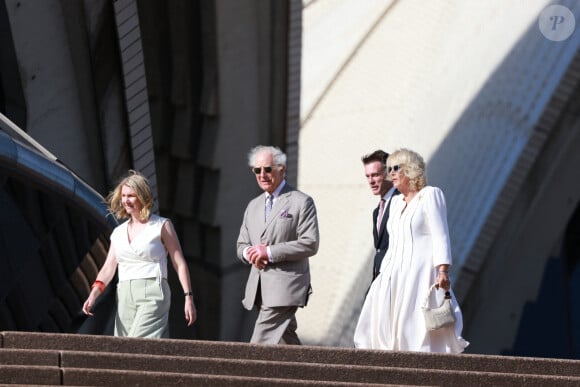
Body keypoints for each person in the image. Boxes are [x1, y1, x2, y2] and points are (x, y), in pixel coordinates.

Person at [354, 148, 468, 352]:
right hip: (394, 272)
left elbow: (440, 234)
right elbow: (394, 241)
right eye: (389, 169)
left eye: (396, 168)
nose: (392, 174)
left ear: (410, 169)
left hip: (420, 273)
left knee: (415, 324)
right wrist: (382, 276)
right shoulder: (396, 203)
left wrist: (442, 270)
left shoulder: (430, 195)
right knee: (382, 320)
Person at [82, 170, 196, 337]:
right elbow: (108, 268)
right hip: (124, 295)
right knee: (125, 351)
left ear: (143, 197)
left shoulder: (162, 225)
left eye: (131, 196)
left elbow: (179, 263)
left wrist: (188, 297)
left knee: (136, 344)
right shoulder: (118, 232)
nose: (126, 200)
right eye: (124, 196)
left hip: (153, 291)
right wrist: (93, 294)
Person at [237, 145, 320, 345]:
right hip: (259, 287)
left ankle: (244, 375)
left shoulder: (302, 202)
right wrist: (250, 254)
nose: (262, 174)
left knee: (259, 344)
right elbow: (241, 245)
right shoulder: (253, 206)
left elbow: (310, 243)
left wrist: (269, 252)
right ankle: (306, 374)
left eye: (268, 169)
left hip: (286, 286)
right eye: (257, 170)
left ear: (281, 169)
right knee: (287, 341)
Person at [362, 150, 398, 281]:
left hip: (396, 280)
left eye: (375, 175)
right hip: (380, 279)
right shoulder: (377, 211)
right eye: (367, 176)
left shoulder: (402, 201)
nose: (371, 181)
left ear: (389, 173)